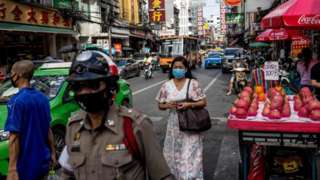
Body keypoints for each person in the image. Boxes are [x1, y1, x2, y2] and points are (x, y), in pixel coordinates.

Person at [61, 50, 174, 180]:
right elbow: (67, 173)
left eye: (93, 85)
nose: (85, 92)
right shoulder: (73, 128)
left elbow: (162, 176)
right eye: (78, 86)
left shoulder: (135, 125)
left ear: (109, 86)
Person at [156, 56, 207, 179]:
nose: (177, 69)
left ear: (186, 69)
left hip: (191, 123)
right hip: (174, 126)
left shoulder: (193, 83)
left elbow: (203, 102)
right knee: (175, 154)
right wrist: (167, 105)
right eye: (175, 67)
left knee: (191, 154)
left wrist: (189, 104)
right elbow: (160, 105)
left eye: (180, 67)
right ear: (171, 69)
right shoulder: (166, 86)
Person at [5, 60, 56, 180]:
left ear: (18, 75)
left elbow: (14, 138)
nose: (11, 77)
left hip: (26, 167)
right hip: (44, 162)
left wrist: (12, 169)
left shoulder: (16, 102)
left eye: (12, 73)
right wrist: (53, 153)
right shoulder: (43, 98)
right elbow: (48, 129)